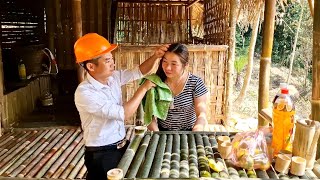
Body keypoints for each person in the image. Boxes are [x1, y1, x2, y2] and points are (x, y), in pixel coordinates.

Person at [73, 33, 168, 180]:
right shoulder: (85, 93)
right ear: (91, 66)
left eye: (112, 59)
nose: (113, 63)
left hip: (121, 146)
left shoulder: (113, 78)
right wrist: (143, 89)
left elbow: (139, 71)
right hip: (102, 154)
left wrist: (155, 56)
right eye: (107, 60)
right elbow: (124, 114)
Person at [147, 43, 208, 131]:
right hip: (162, 132)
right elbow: (150, 116)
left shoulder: (195, 83)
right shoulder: (156, 83)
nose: (167, 68)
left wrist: (195, 133)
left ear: (185, 65)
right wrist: (157, 135)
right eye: (165, 62)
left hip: (189, 132)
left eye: (174, 64)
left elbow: (201, 114)